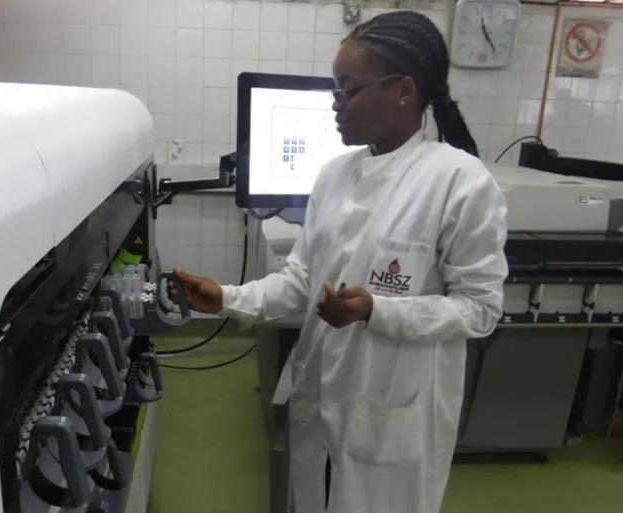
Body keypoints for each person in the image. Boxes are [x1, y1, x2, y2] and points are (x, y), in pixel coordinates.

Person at [168, 10, 508, 513]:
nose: (336, 105)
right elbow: (302, 281)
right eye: (335, 90)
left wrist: (377, 310)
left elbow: (480, 310)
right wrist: (227, 298)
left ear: (403, 91)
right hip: (321, 397)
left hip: (393, 408)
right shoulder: (334, 175)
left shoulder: (460, 182)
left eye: (347, 90)